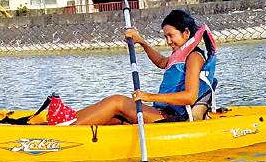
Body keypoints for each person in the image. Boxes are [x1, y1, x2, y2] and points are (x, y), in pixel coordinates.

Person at [71, 9, 217, 126]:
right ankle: (65, 122)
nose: (168, 41)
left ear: (186, 33)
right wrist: (142, 42)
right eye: (166, 37)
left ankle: (66, 134)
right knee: (111, 116)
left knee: (116, 102)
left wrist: (148, 97)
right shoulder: (181, 56)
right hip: (161, 112)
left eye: (171, 36)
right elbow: (161, 62)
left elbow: (190, 96)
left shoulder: (194, 57)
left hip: (174, 117)